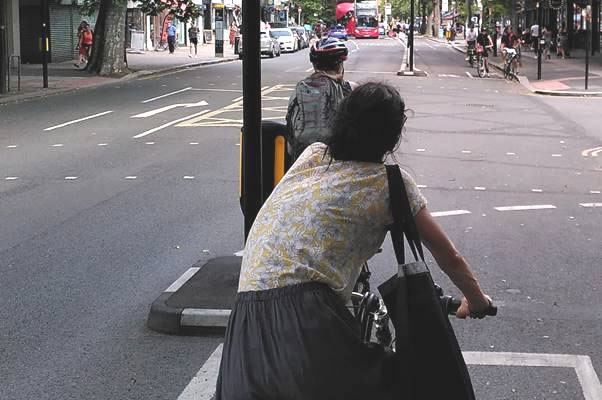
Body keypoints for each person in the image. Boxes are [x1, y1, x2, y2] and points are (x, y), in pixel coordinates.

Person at [215, 82, 493, 399]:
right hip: (306, 322)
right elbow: (449, 257)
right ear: (393, 136)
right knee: (405, 384)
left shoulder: (312, 156)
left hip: (244, 328)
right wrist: (477, 300)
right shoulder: (390, 183)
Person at [285, 37, 354, 158]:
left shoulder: (300, 89)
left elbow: (290, 147)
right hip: (336, 164)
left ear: (315, 65)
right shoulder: (350, 90)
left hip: (301, 163)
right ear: (340, 65)